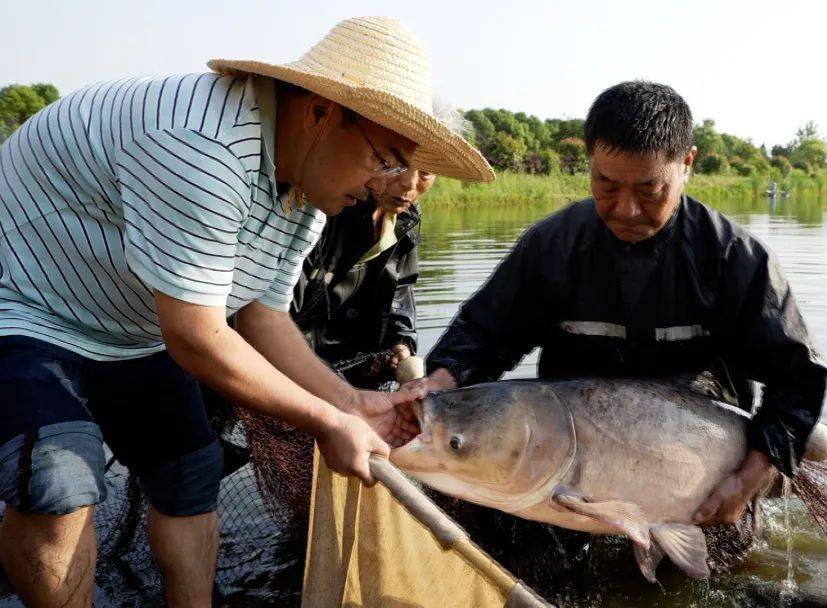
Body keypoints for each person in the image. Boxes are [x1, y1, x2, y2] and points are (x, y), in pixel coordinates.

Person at [0, 17, 492, 608]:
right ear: (319, 113)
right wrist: (326, 422)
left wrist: (352, 403)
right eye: (385, 158)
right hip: (25, 308)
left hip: (129, 328)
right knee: (56, 484)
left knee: (190, 470)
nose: (390, 183)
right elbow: (196, 336)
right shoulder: (200, 145)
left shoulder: (305, 192)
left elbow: (262, 317)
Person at [416, 81, 827, 528]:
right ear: (590, 164)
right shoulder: (552, 246)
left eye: (649, 190)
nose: (626, 210)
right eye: (606, 186)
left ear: (686, 164)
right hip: (575, 460)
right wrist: (435, 389)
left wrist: (747, 479)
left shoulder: (733, 258)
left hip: (698, 467)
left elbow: (798, 378)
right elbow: (483, 334)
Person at [291, 165, 436, 388]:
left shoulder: (404, 219)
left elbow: (401, 295)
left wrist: (401, 344)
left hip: (355, 379)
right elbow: (275, 315)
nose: (409, 183)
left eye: (425, 171)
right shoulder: (322, 212)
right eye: (399, 165)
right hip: (295, 371)